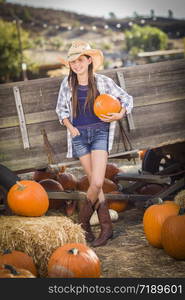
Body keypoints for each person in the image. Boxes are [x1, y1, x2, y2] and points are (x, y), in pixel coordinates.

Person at [56, 40, 133, 247]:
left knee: (98, 182)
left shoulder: (102, 82)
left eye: (80, 60)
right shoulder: (67, 84)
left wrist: (119, 114)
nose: (76, 65)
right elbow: (61, 110)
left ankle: (82, 223)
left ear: (89, 60)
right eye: (73, 61)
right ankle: (107, 228)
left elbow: (126, 99)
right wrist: (70, 128)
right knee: (95, 185)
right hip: (79, 136)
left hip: (99, 133)